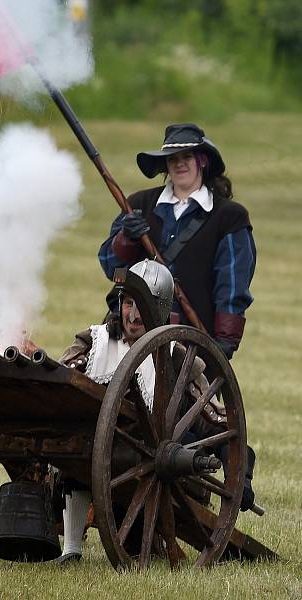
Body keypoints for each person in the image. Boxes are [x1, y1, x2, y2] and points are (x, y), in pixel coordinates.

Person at [53, 259, 256, 565]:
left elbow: (217, 426)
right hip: (94, 451)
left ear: (159, 310)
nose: (133, 316)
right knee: (76, 448)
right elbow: (64, 380)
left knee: (139, 550)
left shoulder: (176, 359)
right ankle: (71, 550)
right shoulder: (94, 343)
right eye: (129, 303)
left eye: (142, 306)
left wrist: (242, 477)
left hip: (155, 472)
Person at [98, 123, 256, 359]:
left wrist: (224, 341)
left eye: (187, 156)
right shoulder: (139, 204)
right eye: (173, 158)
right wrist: (126, 239)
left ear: (202, 160)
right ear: (165, 164)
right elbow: (113, 269)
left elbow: (232, 283)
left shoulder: (229, 217)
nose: (179, 163)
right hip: (131, 329)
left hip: (190, 337)